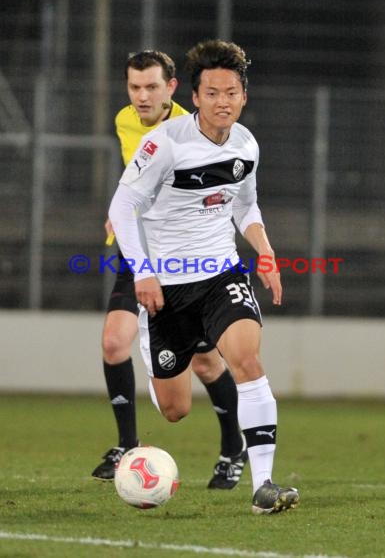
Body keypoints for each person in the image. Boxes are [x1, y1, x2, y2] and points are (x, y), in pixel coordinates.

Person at [108, 39, 300, 514]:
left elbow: (244, 203)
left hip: (220, 273)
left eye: (231, 92)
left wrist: (266, 251)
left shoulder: (246, 143)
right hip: (167, 287)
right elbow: (122, 205)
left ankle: (264, 486)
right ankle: (181, 348)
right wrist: (144, 273)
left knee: (247, 361)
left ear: (243, 95)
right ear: (194, 97)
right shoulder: (165, 143)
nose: (223, 102)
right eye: (212, 93)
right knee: (174, 411)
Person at [92, 50, 247, 489]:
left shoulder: (191, 128)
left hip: (184, 261)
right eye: (135, 87)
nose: (142, 96)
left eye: (152, 87)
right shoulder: (125, 120)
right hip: (139, 254)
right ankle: (127, 444)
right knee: (113, 342)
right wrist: (123, 212)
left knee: (203, 361)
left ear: (173, 89)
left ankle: (233, 448)